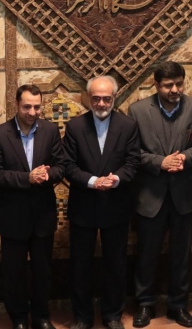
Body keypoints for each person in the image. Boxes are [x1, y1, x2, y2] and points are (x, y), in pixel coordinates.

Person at [127, 62, 192, 328]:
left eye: (179, 84)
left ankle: (178, 306)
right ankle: (145, 304)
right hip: (150, 195)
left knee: (181, 254)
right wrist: (159, 162)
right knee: (146, 253)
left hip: (184, 193)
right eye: (168, 85)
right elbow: (132, 152)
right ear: (156, 85)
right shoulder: (138, 110)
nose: (175, 90)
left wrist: (184, 157)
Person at [63, 76, 140, 329]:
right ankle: (82, 317)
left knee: (115, 264)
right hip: (83, 205)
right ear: (88, 98)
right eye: (96, 98)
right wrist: (94, 181)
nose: (101, 103)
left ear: (114, 98)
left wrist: (116, 179)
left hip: (116, 204)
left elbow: (133, 163)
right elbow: (68, 166)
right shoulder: (75, 126)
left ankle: (112, 315)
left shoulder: (128, 125)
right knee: (80, 265)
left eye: (107, 98)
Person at [0, 84, 65, 329]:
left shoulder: (50, 131)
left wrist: (47, 176)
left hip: (43, 214)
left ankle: (41, 317)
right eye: (27, 106)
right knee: (14, 272)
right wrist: (27, 178)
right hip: (12, 215)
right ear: (16, 105)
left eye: (37, 107)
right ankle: (18, 318)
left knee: (43, 270)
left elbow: (61, 167)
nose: (32, 112)